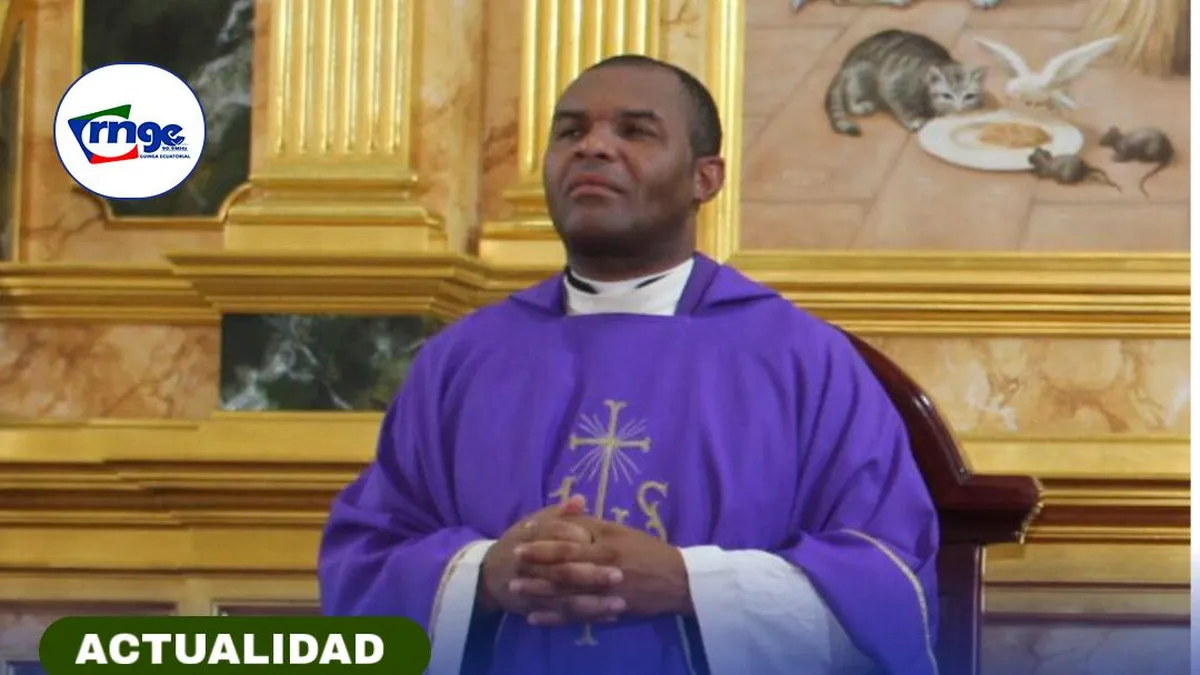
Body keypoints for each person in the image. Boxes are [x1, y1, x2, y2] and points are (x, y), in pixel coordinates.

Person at [318, 54, 940, 675]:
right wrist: (483, 576)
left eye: (635, 131)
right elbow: (366, 560)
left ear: (705, 178)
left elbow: (888, 583)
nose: (592, 146)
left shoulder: (802, 360)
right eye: (570, 131)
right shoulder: (462, 359)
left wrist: (689, 583)